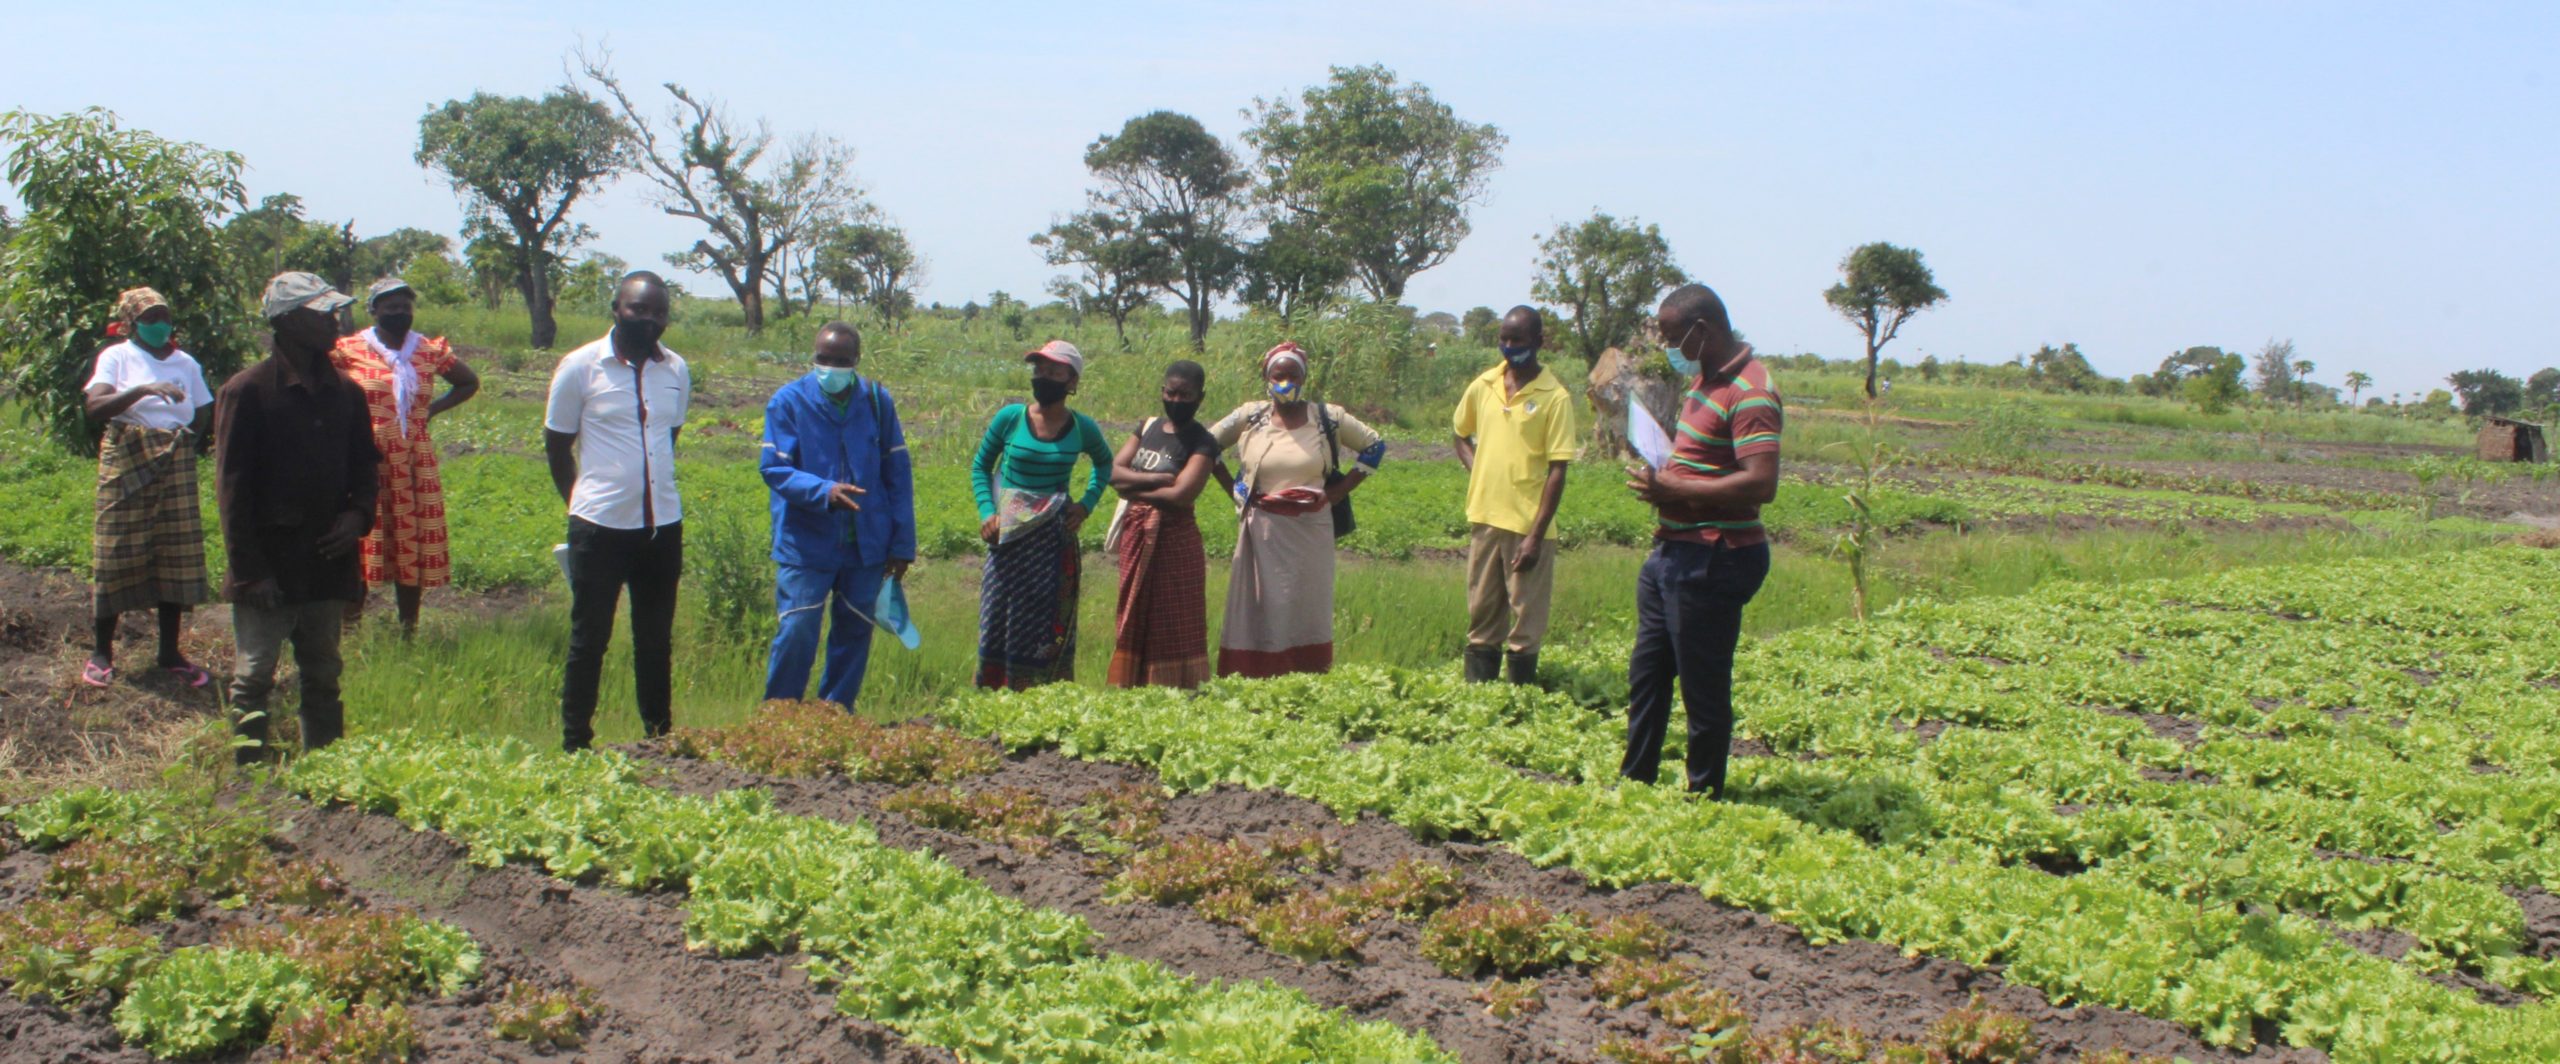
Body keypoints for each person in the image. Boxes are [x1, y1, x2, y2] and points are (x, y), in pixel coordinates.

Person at [1619, 284, 1782, 799]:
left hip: (1715, 555)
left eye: (1672, 336)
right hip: (1672, 551)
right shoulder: (1704, 384)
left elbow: (1762, 483)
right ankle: (1634, 782)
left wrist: (1676, 487)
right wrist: (1663, 467)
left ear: (1701, 331)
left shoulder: (1750, 390)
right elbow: (1703, 459)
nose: (1670, 346)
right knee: (1648, 677)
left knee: (1703, 688)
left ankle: (1704, 794)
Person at [214, 273, 380, 763]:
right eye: (321, 312)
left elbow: (365, 467)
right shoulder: (247, 391)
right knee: (253, 677)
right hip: (270, 562)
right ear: (286, 322)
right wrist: (250, 573)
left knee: (324, 673)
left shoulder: (345, 393)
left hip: (327, 558)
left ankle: (324, 772)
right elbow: (232, 491)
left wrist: (358, 516)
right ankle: (248, 783)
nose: (335, 321)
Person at [544, 272, 690, 752]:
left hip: (661, 526)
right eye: (638, 309)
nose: (648, 320)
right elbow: (557, 444)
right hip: (599, 528)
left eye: (657, 312)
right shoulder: (581, 366)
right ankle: (575, 745)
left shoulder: (676, 370)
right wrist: (580, 505)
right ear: (616, 309)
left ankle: (659, 738)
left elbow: (668, 439)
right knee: (590, 641)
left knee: (655, 641)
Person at [759, 322, 915, 708]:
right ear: (813, 357)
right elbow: (774, 469)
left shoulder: (877, 402)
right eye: (823, 359)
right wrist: (824, 491)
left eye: (841, 361)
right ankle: (780, 717)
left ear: (856, 361)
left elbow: (897, 474)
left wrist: (902, 542)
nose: (830, 368)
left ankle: (834, 714)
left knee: (854, 632)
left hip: (866, 543)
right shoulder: (788, 402)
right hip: (806, 541)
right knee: (797, 628)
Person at [1209, 342, 1384, 678]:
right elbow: (1206, 444)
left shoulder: (1328, 417)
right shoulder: (1251, 416)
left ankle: (1306, 676)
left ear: (1304, 378)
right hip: (1262, 528)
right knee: (1260, 604)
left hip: (1311, 528)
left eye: (1293, 375)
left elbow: (1374, 447)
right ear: (1266, 377)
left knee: (1306, 603)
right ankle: (1254, 676)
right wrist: (1233, 488)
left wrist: (1335, 492)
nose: (1285, 382)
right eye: (1279, 375)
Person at [80, 287, 216, 689]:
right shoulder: (117, 356)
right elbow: (95, 407)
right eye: (151, 317)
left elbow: (203, 408)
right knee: (115, 548)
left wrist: (189, 439)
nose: (160, 324)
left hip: (174, 459)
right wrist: (142, 390)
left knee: (175, 549)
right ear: (131, 323)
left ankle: (170, 652)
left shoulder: (185, 362)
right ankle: (102, 651)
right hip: (128, 457)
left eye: (164, 316)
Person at [329, 277, 480, 637]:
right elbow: (325, 386)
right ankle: (350, 630)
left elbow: (468, 382)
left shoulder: (429, 350)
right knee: (361, 538)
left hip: (415, 462)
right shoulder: (349, 349)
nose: (399, 312)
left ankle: (408, 630)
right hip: (366, 460)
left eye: (404, 306)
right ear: (373, 310)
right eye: (390, 306)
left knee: (412, 539)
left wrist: (430, 411)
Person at [970, 340, 1113, 689]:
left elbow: (1104, 462)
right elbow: (980, 467)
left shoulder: (1081, 427)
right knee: (1000, 614)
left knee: (1047, 621)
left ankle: (1043, 694)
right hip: (1008, 536)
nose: (1043, 377)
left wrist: (1086, 504)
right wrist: (988, 511)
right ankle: (994, 692)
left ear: (1071, 381)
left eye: (1054, 371)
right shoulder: (1010, 418)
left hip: (1053, 539)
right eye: (1039, 370)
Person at [1452, 306, 1577, 686]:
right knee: (1482, 612)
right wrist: (1480, 468)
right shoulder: (1484, 384)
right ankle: (1480, 693)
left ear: (1538, 342)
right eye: (1504, 339)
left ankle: (1519, 695)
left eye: (1517, 340)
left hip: (1526, 524)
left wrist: (1536, 536)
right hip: (1486, 518)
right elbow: (1460, 434)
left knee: (1525, 615)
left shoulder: (1555, 397)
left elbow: (1558, 469)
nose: (1509, 347)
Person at [1105, 360, 1220, 688]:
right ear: (1162, 392)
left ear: (1200, 397)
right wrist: (1158, 478)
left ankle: (1176, 692)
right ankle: (1133, 688)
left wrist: (1135, 485)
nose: (1177, 400)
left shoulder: (1203, 442)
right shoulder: (1148, 426)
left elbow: (1182, 496)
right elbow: (1112, 474)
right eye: (1171, 392)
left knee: (1173, 620)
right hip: (1136, 534)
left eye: (1186, 394)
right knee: (1133, 611)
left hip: (1175, 543)